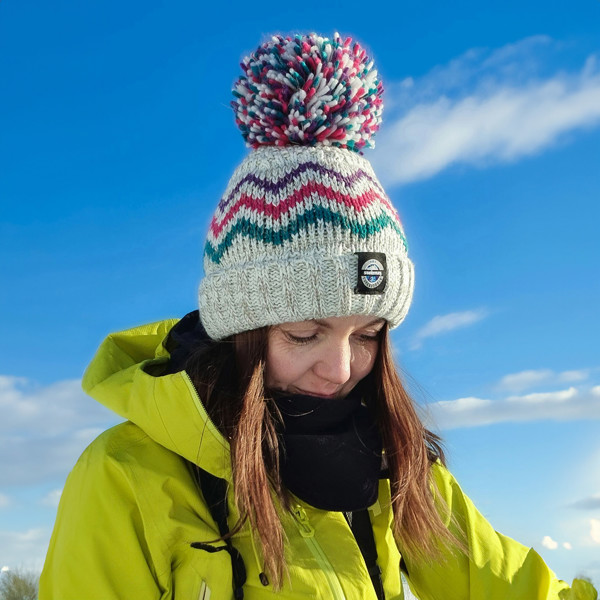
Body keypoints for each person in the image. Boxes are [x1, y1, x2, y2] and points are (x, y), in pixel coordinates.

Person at [40, 33, 597, 600]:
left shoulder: (392, 463)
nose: (339, 369)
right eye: (305, 334)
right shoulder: (124, 477)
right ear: (242, 331)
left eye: (369, 334)